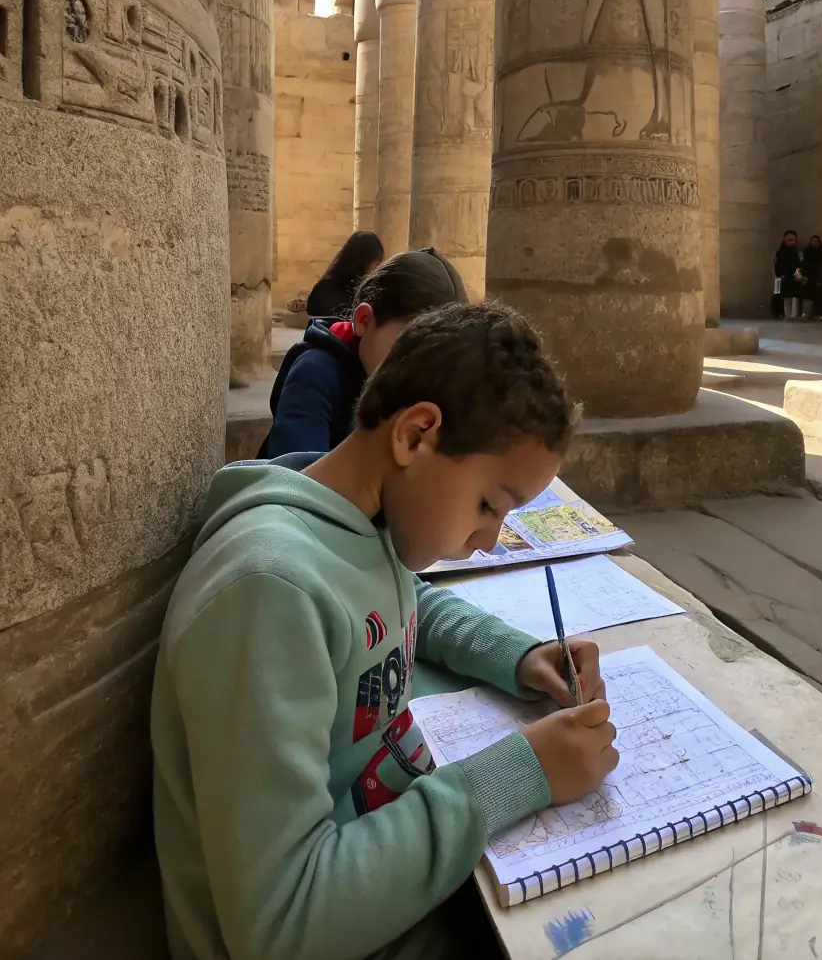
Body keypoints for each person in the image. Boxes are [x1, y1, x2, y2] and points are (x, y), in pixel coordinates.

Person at [152, 303, 618, 960]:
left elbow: (405, 601)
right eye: (489, 504)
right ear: (417, 435)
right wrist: (521, 772)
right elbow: (281, 921)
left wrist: (518, 655)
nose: (490, 540)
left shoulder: (365, 525)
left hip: (391, 865)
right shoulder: (267, 595)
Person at [260, 248, 466, 459]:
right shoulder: (315, 375)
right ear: (364, 320)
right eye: (410, 350)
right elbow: (295, 474)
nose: (421, 375)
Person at [305, 231, 386, 320]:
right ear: (362, 260)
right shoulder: (326, 290)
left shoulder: (362, 291)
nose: (377, 270)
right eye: (376, 263)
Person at [773, 230, 801, 319]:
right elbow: (775, 266)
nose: (791, 242)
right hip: (779, 279)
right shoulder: (778, 253)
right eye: (789, 240)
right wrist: (780, 276)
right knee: (778, 296)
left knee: (794, 296)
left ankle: (793, 315)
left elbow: (799, 265)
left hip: (794, 278)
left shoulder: (798, 253)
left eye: (793, 240)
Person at [799, 235, 822, 320]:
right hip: (807, 277)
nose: (814, 243)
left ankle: (818, 315)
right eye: (813, 241)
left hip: (818, 277)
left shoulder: (821, 251)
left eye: (816, 241)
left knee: (819, 297)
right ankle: (806, 314)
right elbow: (802, 264)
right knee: (807, 296)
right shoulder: (805, 251)